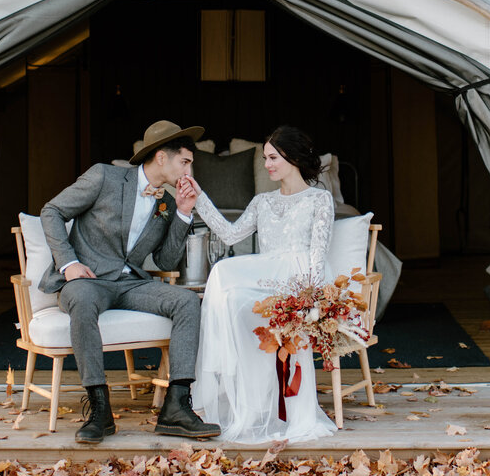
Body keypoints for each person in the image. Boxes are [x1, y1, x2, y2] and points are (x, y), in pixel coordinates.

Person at [39, 119, 221, 445]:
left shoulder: (166, 202)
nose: (190, 171)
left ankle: (176, 407)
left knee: (186, 301)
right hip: (89, 280)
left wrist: (182, 212)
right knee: (80, 299)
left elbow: (165, 262)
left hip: (131, 284)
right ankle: (99, 409)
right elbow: (51, 211)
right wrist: (68, 264)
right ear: (161, 158)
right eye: (186, 162)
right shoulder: (103, 177)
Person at [184, 125, 337, 444]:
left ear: (292, 157)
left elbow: (318, 254)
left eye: (272, 157)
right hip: (266, 275)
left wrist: (310, 299)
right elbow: (229, 234)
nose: (266, 164)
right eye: (265, 158)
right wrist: (199, 198)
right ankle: (249, 402)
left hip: (298, 281)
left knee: (242, 298)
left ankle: (276, 406)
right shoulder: (262, 201)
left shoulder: (319, 199)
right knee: (227, 281)